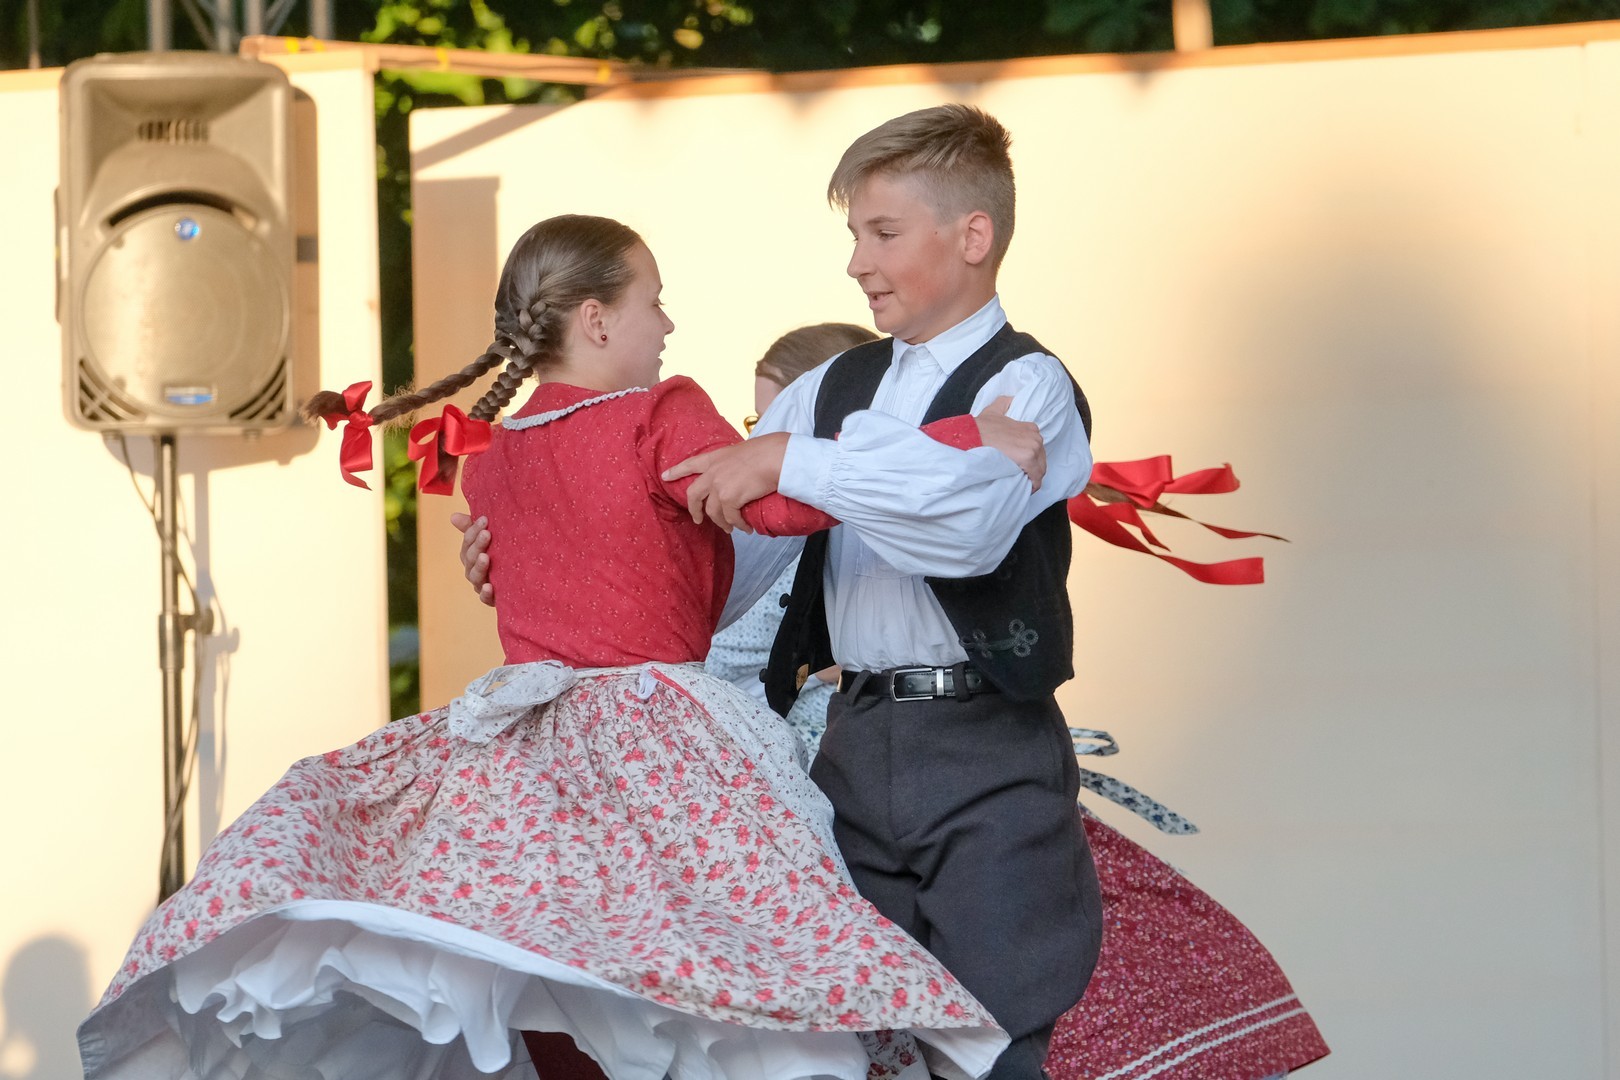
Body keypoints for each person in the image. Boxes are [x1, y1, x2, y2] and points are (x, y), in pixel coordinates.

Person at [76, 215, 1032, 1080]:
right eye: (654, 302)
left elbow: (557, 565)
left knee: (554, 971)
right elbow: (780, 506)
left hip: (523, 744)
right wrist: (959, 439)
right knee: (739, 963)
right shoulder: (661, 413)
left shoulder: (489, 454)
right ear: (597, 319)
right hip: (658, 739)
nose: (668, 324)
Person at [702, 322, 880, 741]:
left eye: (777, 428)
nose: (757, 446)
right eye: (756, 425)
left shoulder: (847, 529)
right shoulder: (766, 525)